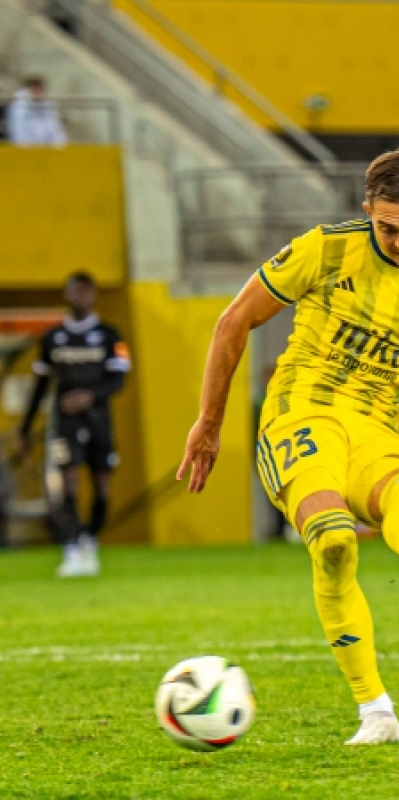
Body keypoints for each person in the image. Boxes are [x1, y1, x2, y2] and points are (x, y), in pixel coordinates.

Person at [177, 150, 399, 744]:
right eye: (388, 228)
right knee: (332, 542)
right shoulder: (326, 248)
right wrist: (209, 421)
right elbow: (235, 320)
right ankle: (375, 710)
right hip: (304, 414)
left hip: (381, 432)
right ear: (367, 212)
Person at [19, 273, 130, 577]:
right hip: (65, 423)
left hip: (99, 422)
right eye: (74, 291)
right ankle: (71, 546)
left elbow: (119, 380)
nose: (80, 296)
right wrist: (25, 428)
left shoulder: (110, 335)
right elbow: (40, 386)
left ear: (93, 295)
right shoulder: (51, 337)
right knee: (67, 487)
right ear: (67, 295)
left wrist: (89, 396)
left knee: (102, 490)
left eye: (85, 291)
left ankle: (89, 540)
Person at [7, 75, 66, 147]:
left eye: (41, 89)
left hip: (47, 151)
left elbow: (56, 132)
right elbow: (18, 135)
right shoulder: (18, 107)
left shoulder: (48, 106)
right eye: (36, 89)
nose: (39, 92)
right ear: (29, 89)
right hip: (26, 152)